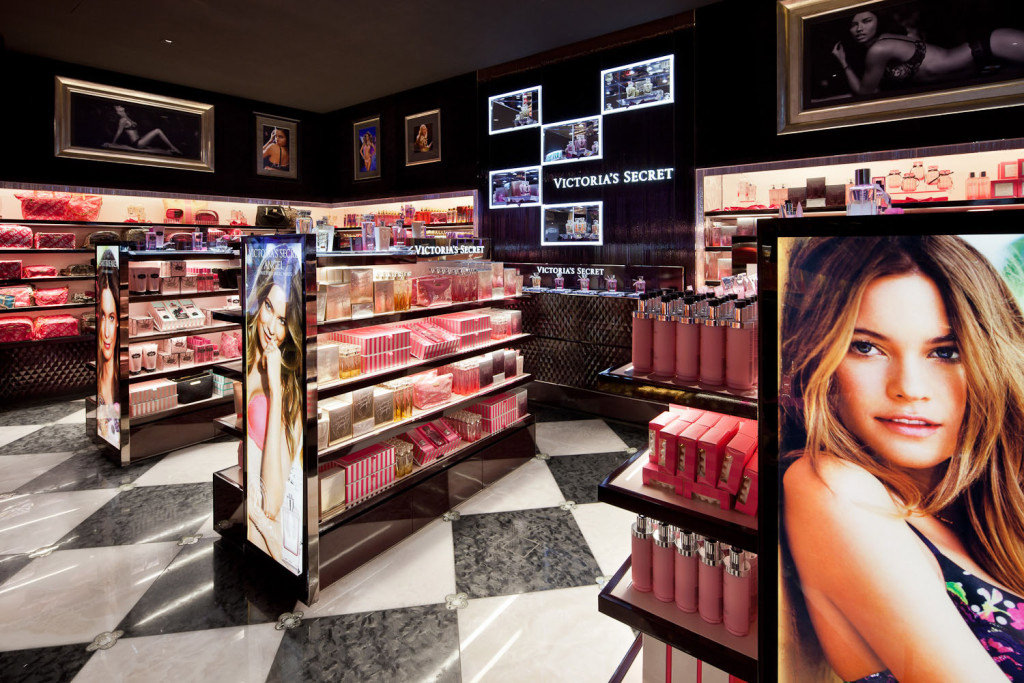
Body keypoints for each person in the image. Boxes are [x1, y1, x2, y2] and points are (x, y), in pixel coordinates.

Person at [781, 235, 1024, 682]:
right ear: (820, 358)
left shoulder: (987, 508)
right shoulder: (832, 488)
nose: (909, 388)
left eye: (945, 352)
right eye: (866, 347)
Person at [245, 245, 304, 570]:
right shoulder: (243, 357)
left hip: (267, 531)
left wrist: (276, 389)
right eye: (268, 307)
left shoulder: (290, 389)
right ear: (259, 299)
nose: (270, 327)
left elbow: (272, 501)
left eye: (283, 320)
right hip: (247, 524)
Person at [831, 9, 1024, 96]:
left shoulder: (879, 49)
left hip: (993, 46)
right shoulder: (888, 40)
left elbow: (865, 93)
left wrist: (843, 63)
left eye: (866, 21)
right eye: (853, 24)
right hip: (987, 59)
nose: (859, 29)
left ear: (878, 22)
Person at [96, 249, 119, 443]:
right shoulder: (99, 384)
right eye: (102, 316)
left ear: (119, 321)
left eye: (111, 317)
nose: (106, 332)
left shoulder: (121, 386)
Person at [111, 105, 182, 155]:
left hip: (139, 139)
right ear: (117, 111)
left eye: (119, 105)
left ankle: (172, 148)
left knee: (156, 135)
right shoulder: (122, 120)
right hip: (137, 143)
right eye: (117, 106)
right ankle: (173, 148)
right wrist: (113, 143)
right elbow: (119, 132)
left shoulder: (127, 117)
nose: (120, 106)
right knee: (157, 130)